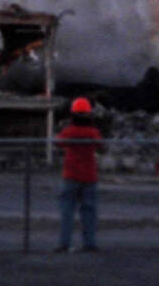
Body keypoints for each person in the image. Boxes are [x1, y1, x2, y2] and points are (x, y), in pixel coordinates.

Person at [54, 96, 103, 252]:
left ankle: (64, 243)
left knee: (67, 212)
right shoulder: (93, 132)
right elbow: (100, 145)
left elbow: (58, 143)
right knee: (89, 212)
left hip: (71, 175)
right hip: (89, 176)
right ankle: (90, 244)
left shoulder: (69, 131)